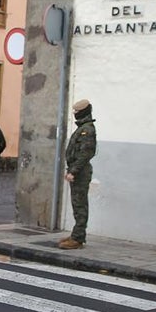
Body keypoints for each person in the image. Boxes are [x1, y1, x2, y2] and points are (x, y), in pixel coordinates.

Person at [58, 98, 97, 249]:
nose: (75, 114)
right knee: (77, 204)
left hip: (80, 172)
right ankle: (76, 234)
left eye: (77, 112)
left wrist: (73, 171)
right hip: (77, 170)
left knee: (80, 205)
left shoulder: (87, 129)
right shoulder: (82, 128)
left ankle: (78, 238)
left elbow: (85, 154)